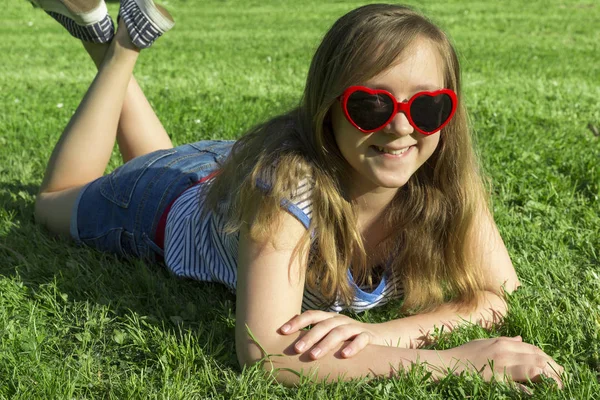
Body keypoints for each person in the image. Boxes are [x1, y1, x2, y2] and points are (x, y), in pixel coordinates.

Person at [31, 0, 564, 389]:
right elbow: (268, 354)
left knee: (166, 157)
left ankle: (107, 32)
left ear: (449, 114)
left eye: (427, 107)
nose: (402, 126)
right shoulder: (288, 194)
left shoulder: (442, 178)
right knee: (54, 200)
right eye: (371, 106)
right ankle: (119, 47)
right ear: (327, 107)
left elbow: (499, 295)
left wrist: (392, 333)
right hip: (163, 202)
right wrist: (452, 361)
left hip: (228, 176)